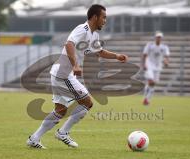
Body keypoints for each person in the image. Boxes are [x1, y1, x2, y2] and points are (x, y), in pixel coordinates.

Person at [26, 4, 128, 149]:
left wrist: (117, 56)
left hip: (60, 74)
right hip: (63, 75)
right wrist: (75, 65)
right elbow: (69, 44)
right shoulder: (83, 29)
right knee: (87, 102)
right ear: (94, 17)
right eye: (103, 17)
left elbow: (99, 51)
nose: (105, 20)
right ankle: (63, 132)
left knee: (60, 110)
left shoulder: (94, 34)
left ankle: (34, 138)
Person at [142, 31, 170, 106]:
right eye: (157, 37)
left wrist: (166, 62)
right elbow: (144, 55)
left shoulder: (164, 47)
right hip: (149, 65)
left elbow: (167, 57)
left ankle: (147, 99)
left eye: (160, 37)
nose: (159, 39)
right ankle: (146, 99)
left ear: (161, 38)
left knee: (153, 84)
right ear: (155, 38)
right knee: (151, 81)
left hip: (158, 67)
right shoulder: (150, 45)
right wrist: (144, 64)